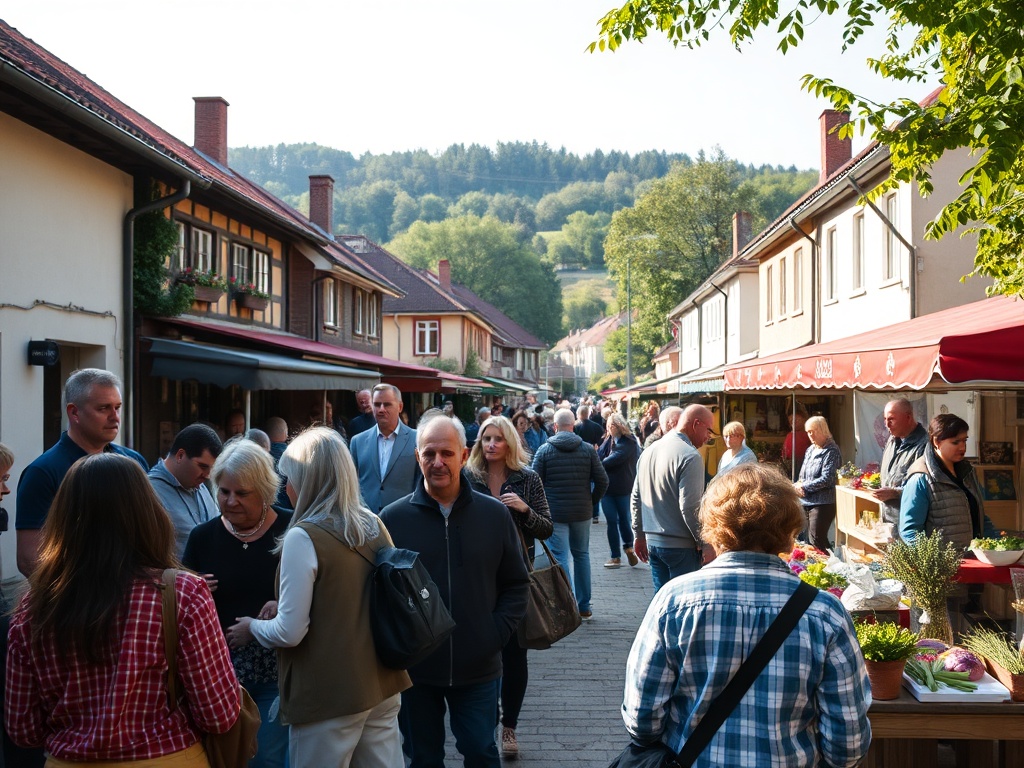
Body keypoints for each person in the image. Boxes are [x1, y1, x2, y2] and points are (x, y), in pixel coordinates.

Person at [621, 463, 871, 767]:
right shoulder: (825, 615)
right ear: (790, 531)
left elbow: (642, 720)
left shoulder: (674, 602)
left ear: (714, 526)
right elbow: (847, 745)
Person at [6, 454, 241, 762]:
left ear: (63, 519)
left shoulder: (33, 606)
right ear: (147, 512)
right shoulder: (182, 594)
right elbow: (218, 715)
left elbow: (23, 730)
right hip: (167, 757)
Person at [228, 428, 410, 767]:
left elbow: (289, 632)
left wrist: (253, 626)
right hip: (382, 682)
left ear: (307, 479)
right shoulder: (372, 523)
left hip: (328, 693)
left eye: (291, 478)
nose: (288, 488)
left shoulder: (304, 535)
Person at [380, 413, 529, 768]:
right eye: (428, 454)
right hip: (416, 673)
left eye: (446, 453)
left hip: (478, 667)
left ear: (463, 456)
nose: (437, 462)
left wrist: (493, 634)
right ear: (417, 457)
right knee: (422, 759)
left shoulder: (494, 515)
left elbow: (517, 583)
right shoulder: (391, 519)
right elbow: (380, 593)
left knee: (480, 752)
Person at [182, 439, 291, 768]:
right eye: (224, 491)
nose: (230, 501)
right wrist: (191, 588)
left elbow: (319, 594)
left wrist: (282, 600)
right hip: (218, 675)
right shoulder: (202, 537)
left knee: (268, 760)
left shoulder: (292, 529)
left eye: (241, 493)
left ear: (264, 490)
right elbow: (182, 608)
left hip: (277, 672)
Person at [466, 416, 553, 760]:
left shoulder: (527, 478)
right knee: (482, 652)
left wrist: (525, 509)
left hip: (516, 578)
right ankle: (482, 723)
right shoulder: (469, 477)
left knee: (515, 656)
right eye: (485, 438)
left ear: (510, 444)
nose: (490, 445)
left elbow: (547, 528)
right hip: (475, 578)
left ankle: (509, 727)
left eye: (497, 439)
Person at [16, 368, 147, 578]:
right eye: (104, 408)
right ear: (74, 412)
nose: (115, 417)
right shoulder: (42, 472)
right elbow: (29, 558)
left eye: (117, 407)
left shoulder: (134, 462)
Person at [530, 408, 609, 620]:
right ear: (573, 426)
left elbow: (534, 483)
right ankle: (584, 605)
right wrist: (591, 502)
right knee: (582, 555)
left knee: (560, 556)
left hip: (555, 513)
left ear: (555, 427)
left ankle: (568, 602)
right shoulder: (587, 450)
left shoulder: (544, 450)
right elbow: (603, 481)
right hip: (582, 512)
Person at [631, 404, 714, 592]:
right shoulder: (690, 455)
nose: (708, 437)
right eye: (708, 430)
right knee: (683, 602)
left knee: (661, 601)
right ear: (696, 424)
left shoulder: (649, 451)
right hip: (680, 545)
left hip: (653, 543)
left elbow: (636, 496)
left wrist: (639, 534)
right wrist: (705, 542)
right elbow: (690, 506)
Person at [900, 413, 997, 549]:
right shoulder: (921, 477)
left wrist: (998, 545)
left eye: (965, 441)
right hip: (943, 566)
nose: (962, 447)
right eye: (955, 442)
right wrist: (934, 562)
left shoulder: (968, 472)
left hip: (975, 559)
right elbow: (910, 531)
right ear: (936, 442)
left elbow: (979, 516)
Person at [149, 423, 222, 558]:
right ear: (180, 456)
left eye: (212, 469)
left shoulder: (201, 487)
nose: (207, 475)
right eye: (202, 466)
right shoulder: (149, 492)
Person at [350, 384, 420, 513]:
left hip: (404, 519)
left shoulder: (417, 439)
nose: (381, 409)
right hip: (367, 522)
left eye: (387, 404)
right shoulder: (357, 442)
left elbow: (420, 484)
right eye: (377, 405)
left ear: (400, 407)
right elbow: (351, 484)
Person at [873, 398, 929, 525]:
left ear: (908, 417)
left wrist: (895, 493)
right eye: (885, 419)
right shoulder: (892, 441)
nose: (887, 424)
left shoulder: (924, 445)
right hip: (888, 519)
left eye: (891, 419)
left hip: (910, 523)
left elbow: (927, 488)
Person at [599, 413, 641, 569]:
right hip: (608, 489)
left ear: (620, 426)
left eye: (613, 425)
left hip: (623, 487)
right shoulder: (607, 441)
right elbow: (598, 457)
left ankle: (629, 548)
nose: (610, 428)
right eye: (609, 425)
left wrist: (601, 462)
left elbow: (612, 460)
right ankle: (615, 556)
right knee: (611, 521)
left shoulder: (629, 442)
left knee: (624, 519)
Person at [794, 416, 841, 551]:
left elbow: (827, 479)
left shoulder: (832, 450)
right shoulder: (810, 450)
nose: (810, 435)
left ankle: (830, 567)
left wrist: (804, 487)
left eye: (813, 431)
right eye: (808, 432)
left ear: (822, 430)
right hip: (805, 501)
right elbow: (803, 475)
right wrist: (797, 485)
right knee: (803, 540)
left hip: (823, 503)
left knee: (817, 539)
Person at [266, 416, 293, 510]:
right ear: (286, 433)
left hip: (266, 510)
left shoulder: (258, 457)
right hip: (288, 510)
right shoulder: (295, 456)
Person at [782, 402, 811, 479]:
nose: (793, 422)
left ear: (804, 419)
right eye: (791, 421)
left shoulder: (808, 434)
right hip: (789, 464)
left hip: (802, 463)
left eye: (796, 420)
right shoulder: (790, 435)